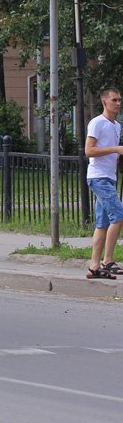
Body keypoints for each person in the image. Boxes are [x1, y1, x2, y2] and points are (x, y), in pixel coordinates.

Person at [85, 87, 123, 279]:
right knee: (119, 214)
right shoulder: (97, 123)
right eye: (114, 100)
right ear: (104, 102)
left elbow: (111, 153)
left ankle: (94, 267)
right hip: (98, 177)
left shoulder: (116, 126)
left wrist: (116, 155)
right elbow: (89, 151)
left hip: (109, 177)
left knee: (103, 223)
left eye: (119, 100)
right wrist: (115, 149)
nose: (117, 103)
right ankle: (107, 261)